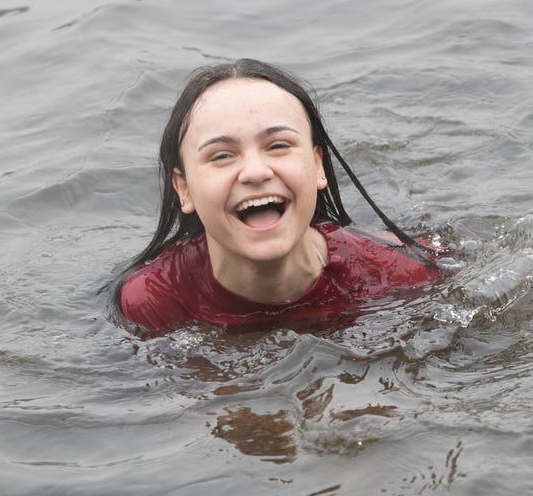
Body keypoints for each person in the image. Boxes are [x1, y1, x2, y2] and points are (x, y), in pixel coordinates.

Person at [118, 59, 441, 331]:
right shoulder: (155, 301)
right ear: (183, 189)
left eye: (278, 146)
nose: (256, 172)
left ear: (318, 165)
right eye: (221, 155)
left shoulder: (402, 272)